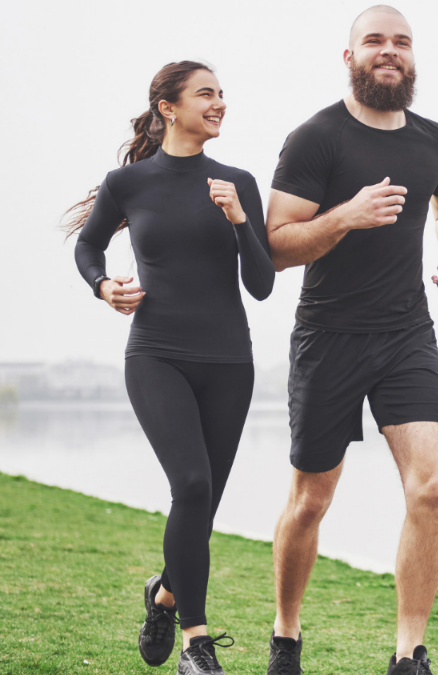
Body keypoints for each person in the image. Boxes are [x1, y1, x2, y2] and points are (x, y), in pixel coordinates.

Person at [262, 6, 438, 675]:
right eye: (376, 41)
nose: (390, 51)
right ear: (350, 56)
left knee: (432, 487)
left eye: (402, 42)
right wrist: (346, 217)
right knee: (311, 500)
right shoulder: (315, 139)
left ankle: (409, 652)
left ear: (414, 58)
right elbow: (273, 246)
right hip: (328, 336)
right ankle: (286, 633)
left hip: (407, 332)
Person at [67, 60, 275, 675]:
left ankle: (163, 595)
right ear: (168, 107)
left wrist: (240, 220)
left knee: (202, 505)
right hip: (156, 354)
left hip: (230, 363)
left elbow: (261, 286)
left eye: (222, 94)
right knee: (190, 485)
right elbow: (88, 244)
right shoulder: (128, 184)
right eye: (206, 94)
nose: (220, 103)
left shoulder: (238, 182)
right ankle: (196, 643)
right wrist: (103, 285)